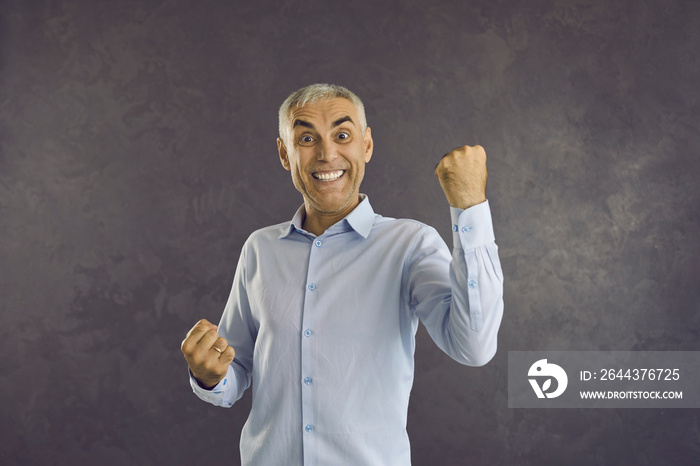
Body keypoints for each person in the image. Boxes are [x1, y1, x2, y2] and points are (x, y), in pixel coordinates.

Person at [181, 83, 504, 465]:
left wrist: (470, 207)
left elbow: (474, 346)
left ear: (366, 145)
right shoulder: (260, 249)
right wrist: (209, 375)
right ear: (285, 153)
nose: (326, 153)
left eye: (342, 135)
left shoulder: (410, 244)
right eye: (306, 138)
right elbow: (234, 373)